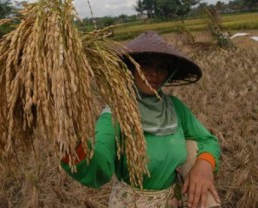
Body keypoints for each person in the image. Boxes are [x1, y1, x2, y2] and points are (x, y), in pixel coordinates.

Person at [61, 31, 221, 208]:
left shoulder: (174, 107)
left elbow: (207, 139)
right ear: (129, 69)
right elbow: (97, 170)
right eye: (144, 65)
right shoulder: (116, 115)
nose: (154, 73)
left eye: (162, 67)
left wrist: (204, 165)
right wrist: (71, 141)